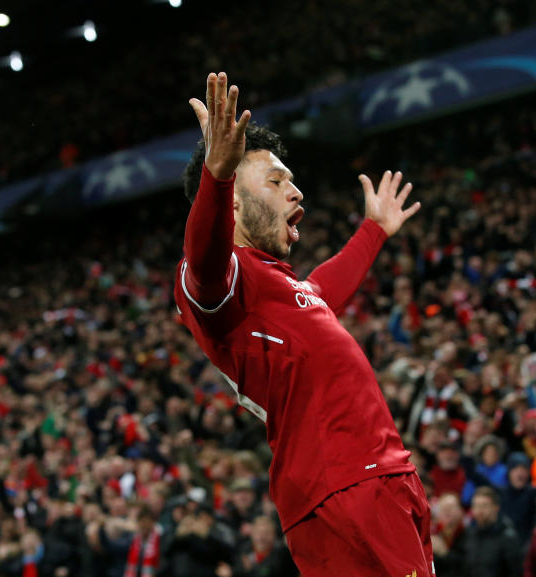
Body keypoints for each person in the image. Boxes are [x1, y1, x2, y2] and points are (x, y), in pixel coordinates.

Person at [175, 72, 428, 576]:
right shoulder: (220, 282)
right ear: (233, 203)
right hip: (345, 485)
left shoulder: (282, 290)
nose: (296, 193)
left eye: (292, 180)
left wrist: (373, 231)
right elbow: (204, 258)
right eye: (276, 180)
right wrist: (217, 175)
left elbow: (323, 288)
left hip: (373, 477)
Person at [460, 487, 523, 577]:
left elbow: (515, 572)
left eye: (484, 506)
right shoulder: (469, 534)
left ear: (496, 507)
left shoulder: (508, 537)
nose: (479, 510)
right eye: (476, 506)